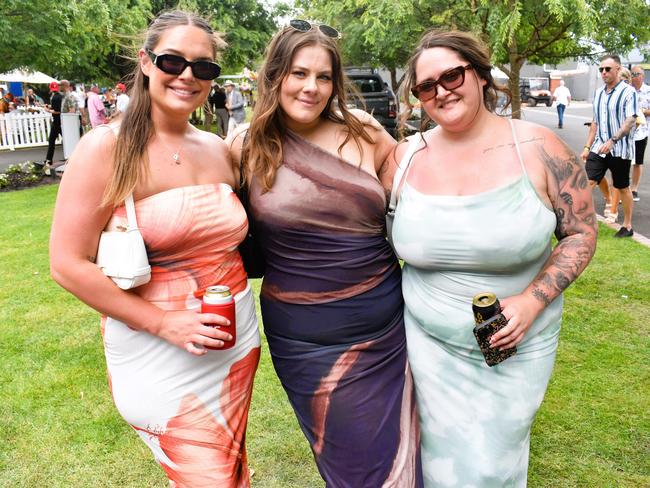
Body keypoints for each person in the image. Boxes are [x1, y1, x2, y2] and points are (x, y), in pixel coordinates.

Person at [49, 11, 260, 486]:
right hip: (154, 345)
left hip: (233, 339)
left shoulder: (218, 149)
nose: (188, 76)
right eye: (172, 61)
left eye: (203, 68)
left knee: (227, 467)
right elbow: (66, 264)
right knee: (207, 474)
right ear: (146, 62)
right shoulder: (106, 148)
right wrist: (164, 322)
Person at [393, 30, 597, 487]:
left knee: (491, 466)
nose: (441, 91)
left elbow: (581, 233)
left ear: (481, 75)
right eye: (427, 86)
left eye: (452, 75)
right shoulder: (404, 157)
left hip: (514, 347)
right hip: (425, 346)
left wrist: (532, 300)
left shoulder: (540, 149)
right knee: (435, 462)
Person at [228, 20, 422, 487]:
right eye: (298, 73)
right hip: (307, 342)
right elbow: (205, 219)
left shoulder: (366, 133)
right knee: (357, 468)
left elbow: (426, 197)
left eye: (324, 76)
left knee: (407, 452)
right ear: (274, 76)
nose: (311, 88)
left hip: (388, 328)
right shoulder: (246, 147)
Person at [580, 54, 637, 237]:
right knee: (587, 182)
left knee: (622, 186)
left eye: (607, 69)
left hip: (619, 148)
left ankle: (627, 226)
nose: (603, 72)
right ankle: (583, 223)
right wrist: (587, 147)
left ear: (618, 70)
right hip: (598, 147)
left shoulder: (628, 92)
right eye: (601, 69)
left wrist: (612, 140)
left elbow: (630, 120)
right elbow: (595, 122)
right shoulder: (597, 93)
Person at [631, 65, 649, 201]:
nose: (633, 77)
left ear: (642, 76)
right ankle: (622, 188)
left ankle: (634, 189)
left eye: (636, 74)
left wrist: (642, 112)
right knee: (623, 161)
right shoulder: (627, 90)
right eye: (632, 74)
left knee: (638, 161)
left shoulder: (648, 91)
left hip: (641, 132)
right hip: (626, 131)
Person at [44, 81, 63, 174]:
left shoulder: (54, 97)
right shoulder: (60, 96)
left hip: (56, 122)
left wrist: (48, 110)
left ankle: (49, 159)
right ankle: (48, 159)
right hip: (62, 121)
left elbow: (57, 111)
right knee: (66, 139)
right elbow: (58, 107)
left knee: (51, 141)